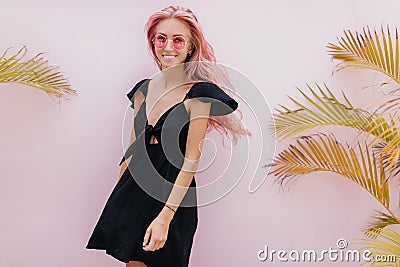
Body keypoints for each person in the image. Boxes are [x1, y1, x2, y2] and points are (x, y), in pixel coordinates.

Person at [86, 5, 251, 267]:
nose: (169, 47)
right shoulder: (143, 90)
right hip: (135, 186)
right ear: (153, 43)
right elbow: (131, 151)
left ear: (190, 47)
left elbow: (191, 159)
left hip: (173, 192)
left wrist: (166, 216)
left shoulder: (199, 93)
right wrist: (117, 200)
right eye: (162, 38)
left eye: (178, 40)